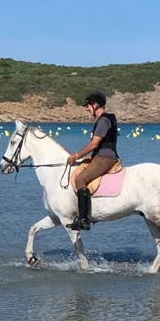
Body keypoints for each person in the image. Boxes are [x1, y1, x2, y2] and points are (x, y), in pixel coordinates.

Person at [67, 92, 119, 230]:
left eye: (88, 105)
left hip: (105, 157)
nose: (87, 108)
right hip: (100, 156)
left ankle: (84, 220)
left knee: (80, 180)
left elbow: (94, 144)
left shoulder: (103, 120)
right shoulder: (105, 119)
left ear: (95, 105)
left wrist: (77, 156)